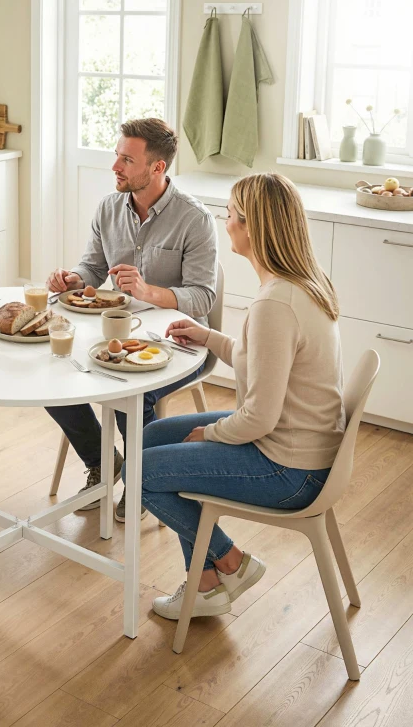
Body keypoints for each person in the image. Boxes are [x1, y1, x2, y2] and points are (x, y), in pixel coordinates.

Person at [131, 172, 344, 621]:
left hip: (289, 469)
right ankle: (206, 585)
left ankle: (231, 562)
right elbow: (263, 363)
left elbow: (260, 417)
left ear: (252, 227)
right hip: (302, 446)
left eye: (229, 214)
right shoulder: (300, 282)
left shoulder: (276, 303)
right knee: (151, 436)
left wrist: (206, 433)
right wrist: (209, 337)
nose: (224, 221)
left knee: (142, 471)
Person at [46, 118, 217, 520]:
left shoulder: (195, 219)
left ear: (157, 168)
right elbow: (91, 268)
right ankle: (104, 464)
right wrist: (73, 279)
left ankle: (143, 481)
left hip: (179, 342)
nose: (116, 167)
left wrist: (148, 293)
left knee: (131, 392)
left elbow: (203, 296)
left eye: (127, 159)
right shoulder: (108, 208)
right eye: (117, 156)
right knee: (53, 372)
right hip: (115, 334)